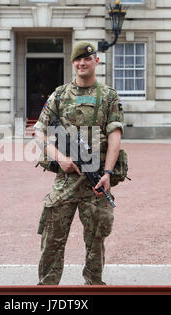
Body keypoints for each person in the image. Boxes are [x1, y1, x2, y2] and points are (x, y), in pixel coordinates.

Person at [34, 42, 124, 285]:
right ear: (73, 63)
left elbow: (115, 136)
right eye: (77, 60)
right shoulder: (60, 94)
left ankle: (94, 287)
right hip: (66, 180)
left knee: (96, 241)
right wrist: (59, 157)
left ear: (96, 61)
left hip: (96, 181)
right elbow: (39, 131)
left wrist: (107, 173)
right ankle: (47, 291)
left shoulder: (108, 96)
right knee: (52, 239)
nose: (82, 63)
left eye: (87, 58)